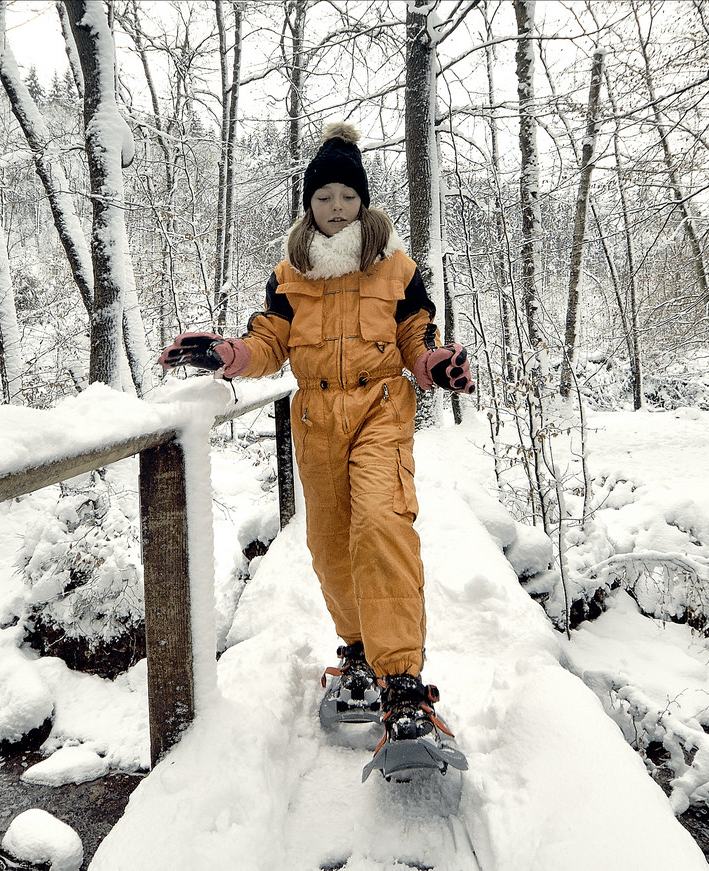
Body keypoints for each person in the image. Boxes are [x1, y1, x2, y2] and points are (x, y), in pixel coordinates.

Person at [157, 123, 475, 780]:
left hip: (381, 406)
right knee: (331, 544)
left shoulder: (398, 268)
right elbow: (268, 340)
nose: (335, 206)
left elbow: (419, 335)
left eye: (346, 195)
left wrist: (435, 364)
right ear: (309, 203)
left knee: (381, 525)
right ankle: (357, 648)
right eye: (324, 196)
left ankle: (404, 686)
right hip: (316, 414)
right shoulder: (290, 272)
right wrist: (228, 355)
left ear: (362, 200)